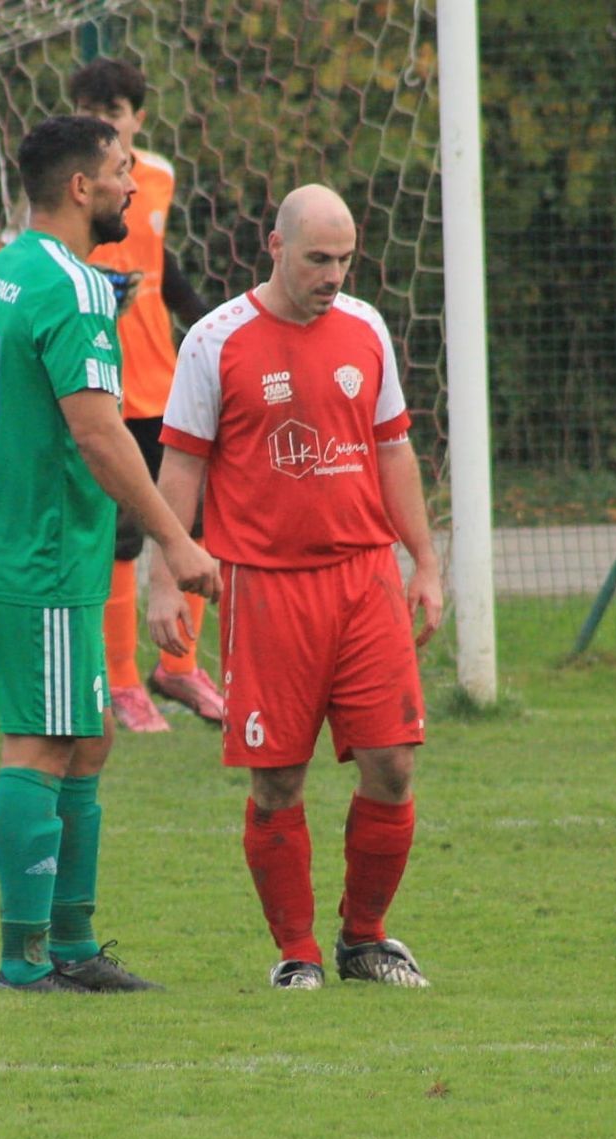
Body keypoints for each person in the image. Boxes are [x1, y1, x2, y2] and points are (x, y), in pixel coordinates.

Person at [147, 184, 446, 990]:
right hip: (268, 589)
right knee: (277, 777)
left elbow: (392, 451)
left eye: (346, 259)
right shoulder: (216, 341)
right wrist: (166, 579)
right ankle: (297, 954)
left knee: (392, 764)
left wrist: (426, 560)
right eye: (318, 259)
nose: (334, 276)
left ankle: (366, 938)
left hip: (365, 579)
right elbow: (181, 464)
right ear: (275, 248)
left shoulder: (367, 328)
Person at [0, 115, 222, 994]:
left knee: (90, 737)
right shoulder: (71, 286)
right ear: (80, 187)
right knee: (40, 745)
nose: (131, 188)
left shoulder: (10, 267)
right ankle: (25, 960)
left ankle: (69, 944)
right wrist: (175, 542)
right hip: (38, 557)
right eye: (118, 172)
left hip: (18, 546)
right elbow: (101, 435)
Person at [68, 57, 223, 734]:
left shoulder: (156, 178)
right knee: (121, 539)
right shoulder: (64, 187)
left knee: (194, 525)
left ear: (137, 118)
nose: (104, 123)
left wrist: (215, 324)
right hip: (99, 388)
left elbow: (165, 269)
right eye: (91, 112)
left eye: (115, 112)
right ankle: (123, 683)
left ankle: (179, 667)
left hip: (164, 382)